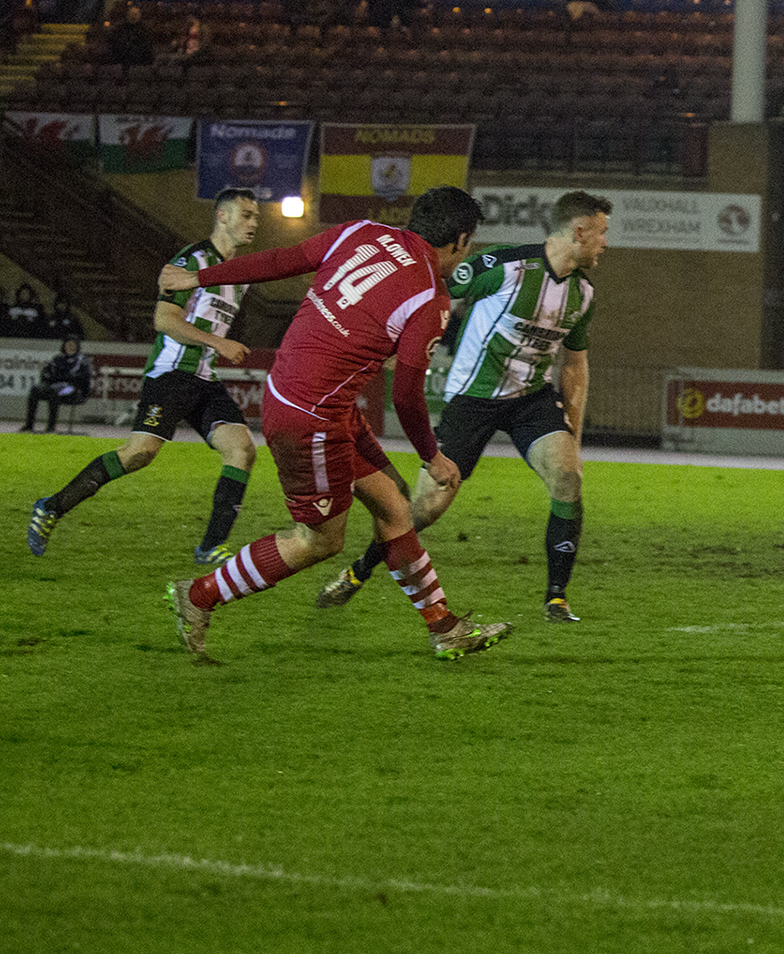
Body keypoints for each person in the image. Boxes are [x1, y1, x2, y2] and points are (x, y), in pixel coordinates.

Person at [155, 186, 510, 661]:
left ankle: (444, 628)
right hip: (312, 417)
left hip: (303, 393)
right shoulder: (430, 296)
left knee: (392, 507)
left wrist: (199, 278)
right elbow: (405, 395)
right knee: (320, 539)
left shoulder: (361, 232)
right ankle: (197, 596)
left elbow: (283, 260)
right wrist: (433, 456)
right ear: (461, 240)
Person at [317, 191, 611, 623]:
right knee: (426, 508)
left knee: (568, 476)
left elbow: (574, 367)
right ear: (579, 231)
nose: (606, 243)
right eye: (602, 233)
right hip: (473, 398)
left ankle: (556, 599)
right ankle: (359, 571)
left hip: (531, 399)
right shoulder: (504, 266)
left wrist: (574, 437)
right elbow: (429, 283)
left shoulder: (583, 293)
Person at [27, 190, 262, 564]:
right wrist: (218, 341)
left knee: (242, 450)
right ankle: (52, 507)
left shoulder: (238, 275)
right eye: (246, 215)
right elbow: (164, 321)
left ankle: (210, 547)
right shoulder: (190, 261)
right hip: (170, 374)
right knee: (139, 454)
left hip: (203, 378)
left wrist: (215, 348)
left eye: (255, 216)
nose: (254, 223)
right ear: (222, 216)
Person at [19, 335, 92, 433]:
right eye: (68, 345)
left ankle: (51, 427)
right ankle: (29, 425)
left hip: (73, 389)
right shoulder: (57, 359)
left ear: (77, 346)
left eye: (73, 345)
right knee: (35, 389)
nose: (70, 347)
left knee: (55, 391)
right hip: (53, 386)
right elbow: (46, 374)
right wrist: (55, 378)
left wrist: (62, 378)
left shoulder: (82, 361)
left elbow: (81, 378)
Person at [105, 4, 156, 68]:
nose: (133, 17)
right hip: (121, 60)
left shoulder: (145, 30)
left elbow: (147, 47)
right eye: (131, 14)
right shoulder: (119, 28)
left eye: (135, 14)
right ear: (127, 15)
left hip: (139, 61)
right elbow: (112, 43)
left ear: (139, 16)